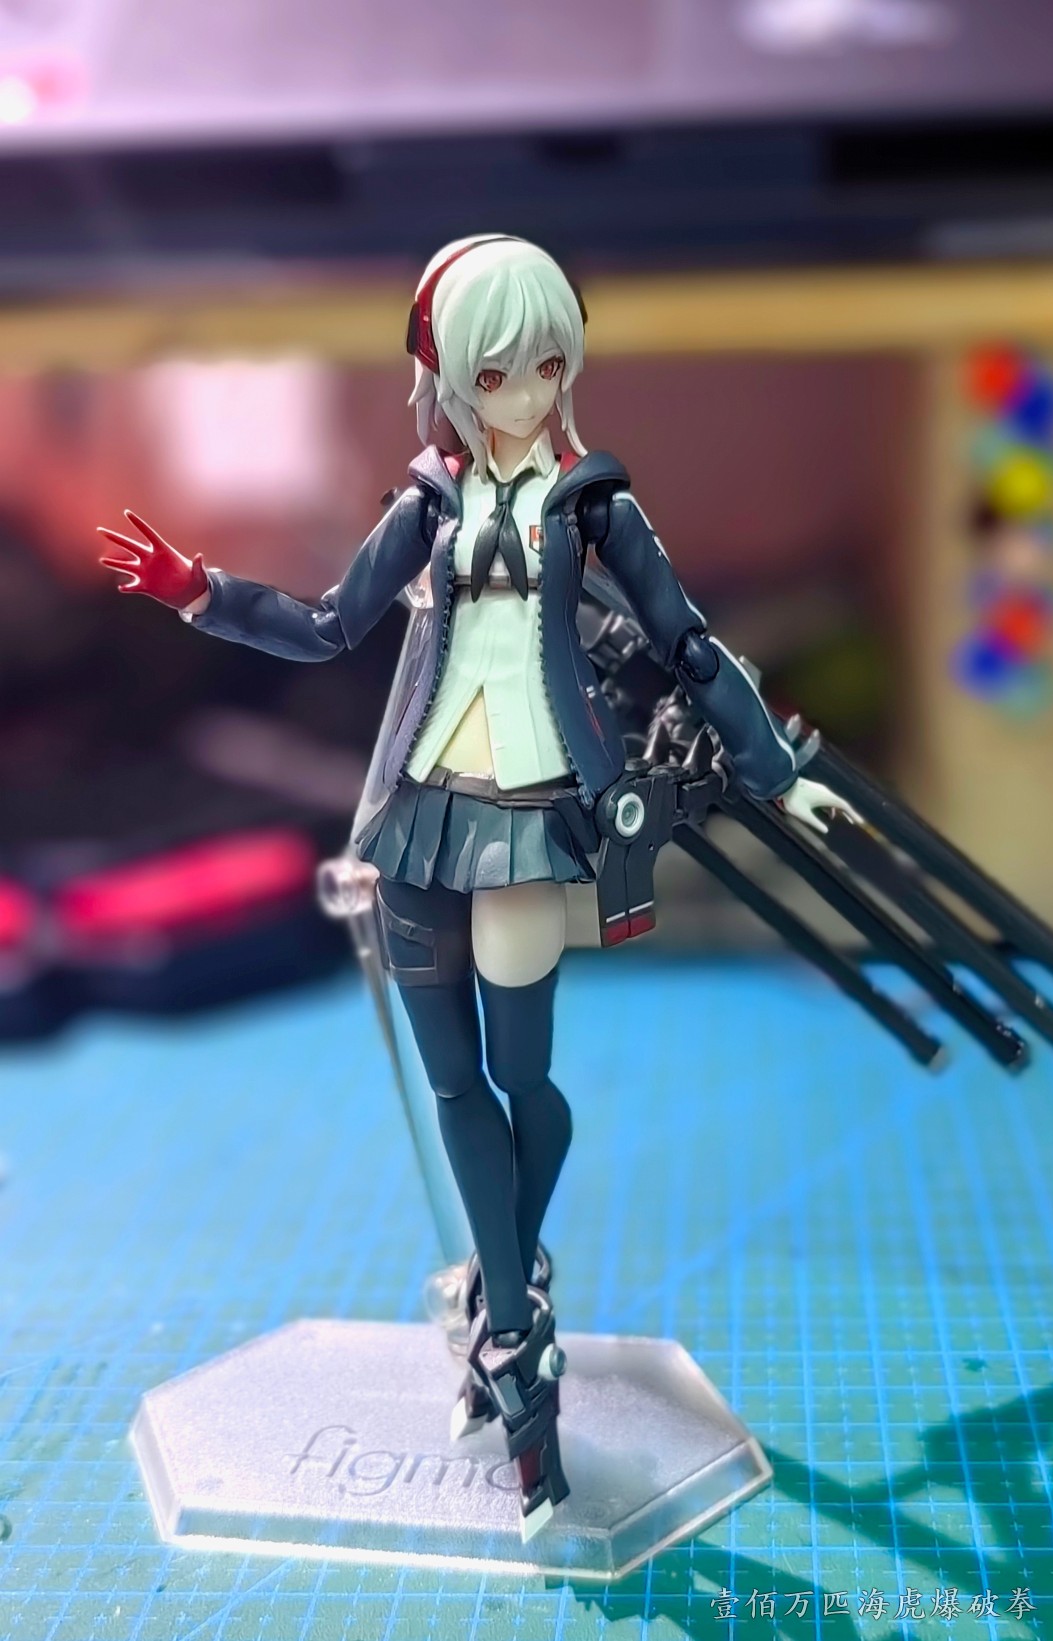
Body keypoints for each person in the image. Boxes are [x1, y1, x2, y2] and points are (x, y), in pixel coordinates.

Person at [98, 233, 854, 1540]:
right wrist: (197, 592)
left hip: (533, 818)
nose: (525, 388)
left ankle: (509, 1302)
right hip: (418, 816)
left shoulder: (597, 507)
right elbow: (329, 625)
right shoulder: (428, 507)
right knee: (455, 1084)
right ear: (447, 374)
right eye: (497, 369)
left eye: (546, 363)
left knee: (525, 1082)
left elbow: (683, 641)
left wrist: (772, 768)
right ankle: (516, 1322)